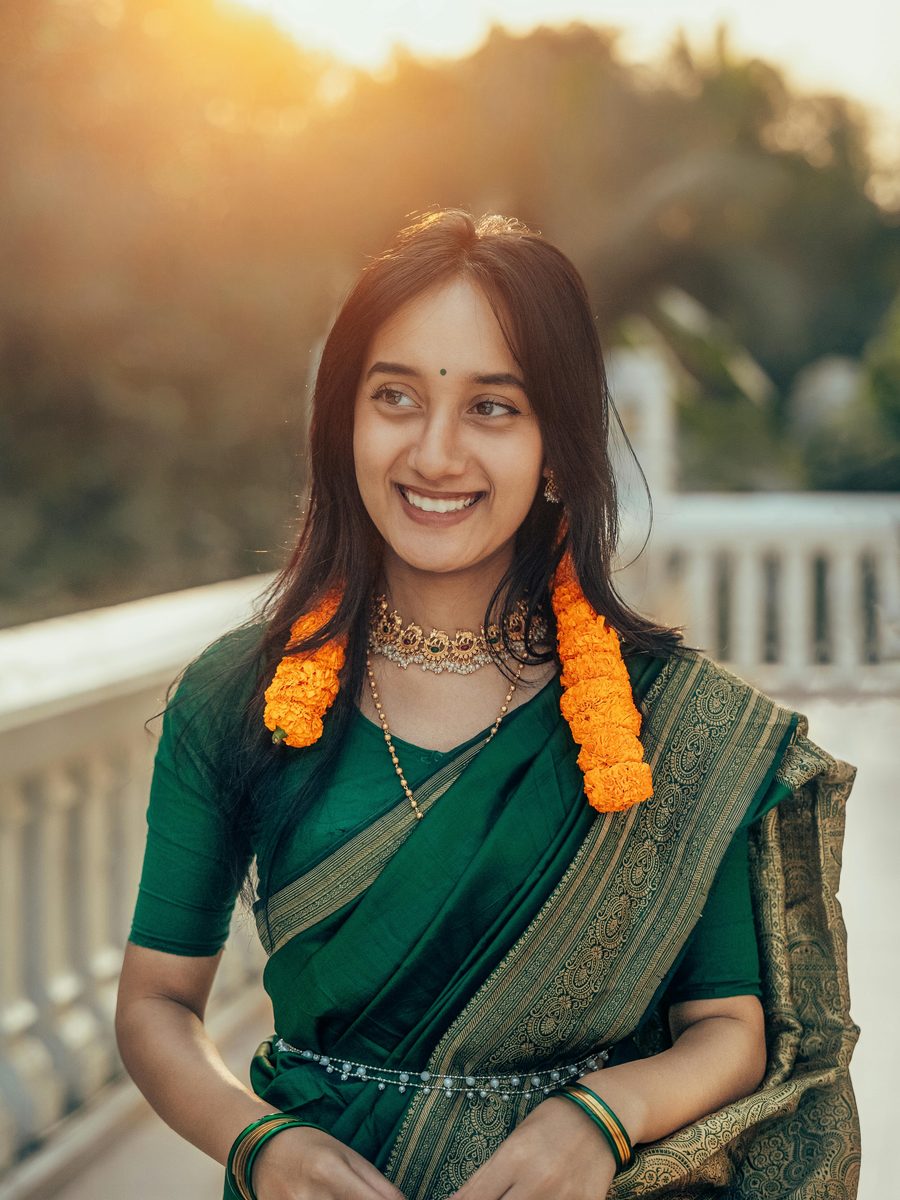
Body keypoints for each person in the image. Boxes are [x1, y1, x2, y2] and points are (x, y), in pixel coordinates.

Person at [115, 209, 860, 1200]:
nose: (435, 452)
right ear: (344, 422)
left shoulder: (673, 724)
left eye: (492, 408)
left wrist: (599, 1119)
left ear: (557, 442)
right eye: (397, 397)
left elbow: (730, 1029)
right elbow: (157, 1002)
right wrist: (260, 1145)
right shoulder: (237, 696)